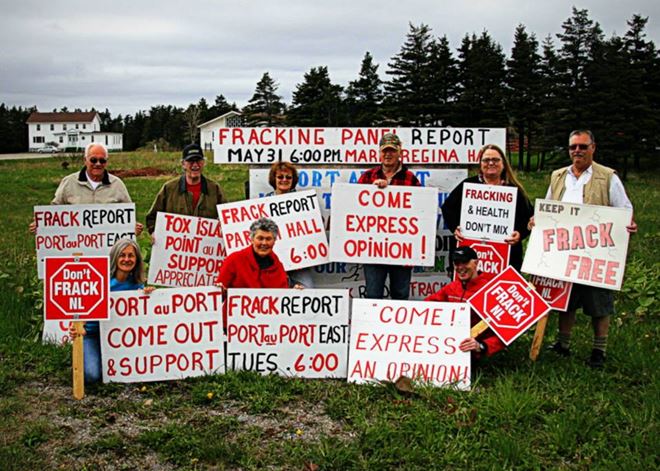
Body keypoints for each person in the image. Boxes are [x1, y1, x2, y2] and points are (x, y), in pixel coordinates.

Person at [534, 130, 637, 368]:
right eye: (573, 147)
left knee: (599, 302)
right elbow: (548, 207)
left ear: (593, 147)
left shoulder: (608, 176)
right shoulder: (558, 176)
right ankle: (563, 344)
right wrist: (536, 220)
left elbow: (624, 209)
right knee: (565, 300)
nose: (577, 151)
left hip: (596, 251)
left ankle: (598, 350)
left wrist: (628, 223)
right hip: (563, 249)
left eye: (582, 146)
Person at [70, 238, 153, 383]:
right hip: (92, 334)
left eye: (131, 255)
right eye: (122, 255)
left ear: (137, 259)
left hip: (121, 339)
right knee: (92, 376)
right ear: (115, 257)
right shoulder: (100, 280)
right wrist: (79, 326)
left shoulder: (138, 286)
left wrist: (151, 296)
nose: (126, 259)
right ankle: (84, 356)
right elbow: (82, 307)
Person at [441, 144, 533, 271]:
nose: (491, 163)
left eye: (495, 160)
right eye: (486, 160)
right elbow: (448, 208)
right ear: (480, 164)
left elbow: (529, 218)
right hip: (471, 255)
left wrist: (520, 233)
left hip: (506, 256)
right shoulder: (468, 185)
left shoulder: (514, 190)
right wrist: (455, 227)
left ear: (503, 163)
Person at [357, 132, 421, 300]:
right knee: (372, 294)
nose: (388, 154)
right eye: (385, 150)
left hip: (402, 249)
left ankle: (397, 328)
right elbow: (355, 208)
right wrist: (371, 191)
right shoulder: (367, 177)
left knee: (400, 294)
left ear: (400, 152)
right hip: (373, 248)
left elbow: (421, 213)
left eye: (392, 150)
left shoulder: (411, 179)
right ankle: (372, 327)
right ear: (379, 152)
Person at [29, 142, 143, 235]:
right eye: (93, 160)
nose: (98, 164)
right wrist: (41, 224)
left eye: (102, 160)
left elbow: (128, 215)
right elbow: (54, 211)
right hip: (76, 247)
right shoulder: (69, 182)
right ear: (85, 160)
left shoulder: (117, 184)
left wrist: (133, 228)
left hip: (109, 249)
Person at [424, 246, 505, 358]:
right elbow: (424, 306)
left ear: (476, 263)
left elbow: (505, 330)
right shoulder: (452, 287)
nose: (461, 267)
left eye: (465, 262)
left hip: (474, 351)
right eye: (457, 263)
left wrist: (482, 346)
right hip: (448, 347)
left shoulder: (491, 290)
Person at [216, 218, 296, 326]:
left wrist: (295, 294)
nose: (264, 243)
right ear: (252, 239)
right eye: (260, 238)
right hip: (234, 327)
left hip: (266, 328)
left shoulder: (278, 266)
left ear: (274, 241)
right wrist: (220, 291)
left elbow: (282, 299)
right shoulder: (234, 260)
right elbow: (217, 298)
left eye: (268, 239)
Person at [145, 143, 227, 235]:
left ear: (203, 163)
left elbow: (226, 220)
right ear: (183, 164)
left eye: (198, 161)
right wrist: (154, 233)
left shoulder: (214, 189)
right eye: (191, 161)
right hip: (175, 248)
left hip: (206, 247)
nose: (195, 165)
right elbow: (152, 219)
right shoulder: (169, 189)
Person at [264, 161, 314, 288]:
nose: (284, 180)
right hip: (272, 262)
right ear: (273, 179)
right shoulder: (263, 203)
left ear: (293, 180)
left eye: (288, 177)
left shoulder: (304, 203)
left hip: (299, 263)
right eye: (280, 177)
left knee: (308, 290)